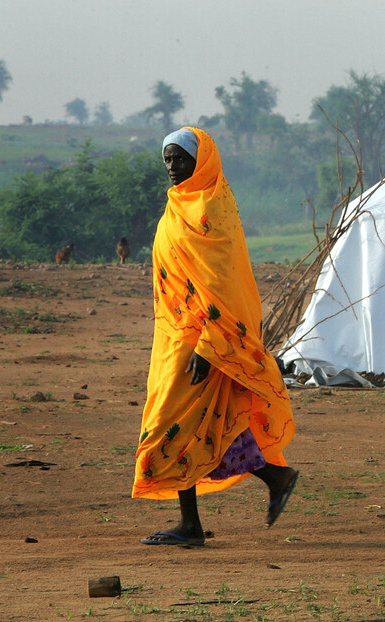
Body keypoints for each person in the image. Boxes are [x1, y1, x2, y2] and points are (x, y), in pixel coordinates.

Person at [133, 127, 297, 546]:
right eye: (167, 159)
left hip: (204, 341)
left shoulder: (212, 209)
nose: (172, 168)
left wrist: (209, 346)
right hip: (173, 337)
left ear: (201, 160)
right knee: (202, 423)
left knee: (169, 424)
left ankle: (192, 524)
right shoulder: (177, 207)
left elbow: (226, 284)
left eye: (180, 159)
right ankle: (274, 477)